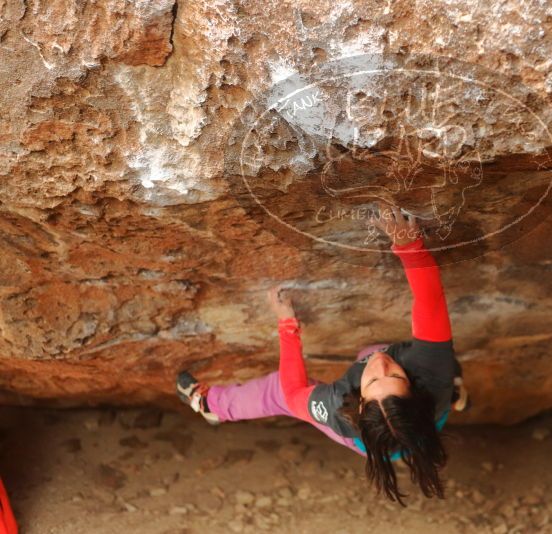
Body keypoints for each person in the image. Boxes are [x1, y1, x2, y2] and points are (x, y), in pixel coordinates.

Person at [176, 205, 467, 505]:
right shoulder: (431, 374)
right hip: (429, 410)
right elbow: (429, 300)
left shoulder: (338, 410)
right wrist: (409, 245)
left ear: (360, 400)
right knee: (429, 357)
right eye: (394, 375)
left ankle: (211, 405)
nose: (381, 366)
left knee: (279, 390)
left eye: (373, 381)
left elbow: (290, 393)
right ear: (413, 389)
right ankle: (454, 391)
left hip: (395, 427)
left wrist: (287, 326)